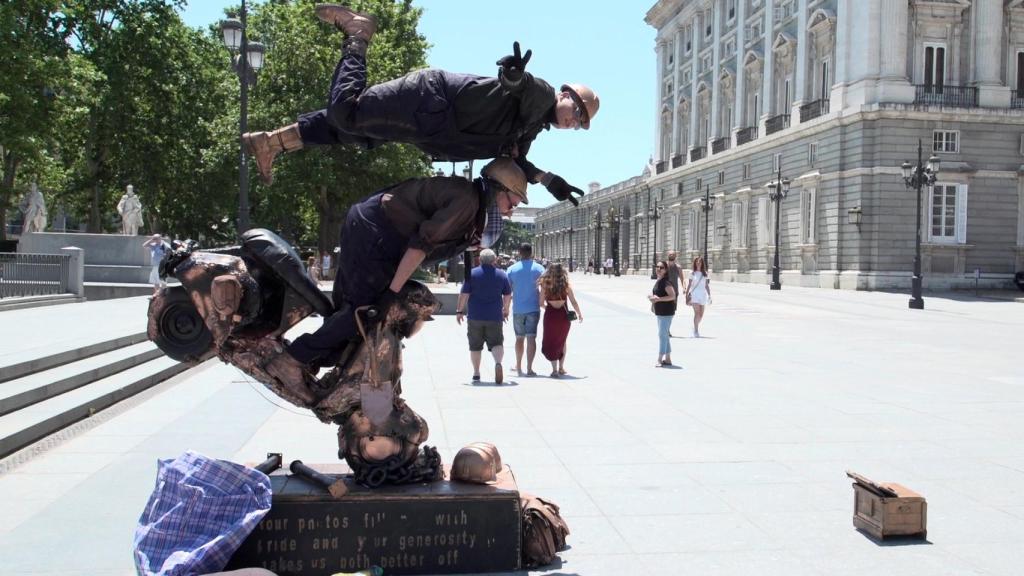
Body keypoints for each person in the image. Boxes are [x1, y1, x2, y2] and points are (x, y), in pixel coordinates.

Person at [242, 4, 599, 205]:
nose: (573, 122)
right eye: (577, 112)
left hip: (429, 125)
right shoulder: (541, 94)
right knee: (345, 112)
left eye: (579, 124)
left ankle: (271, 142)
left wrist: (547, 179)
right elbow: (520, 84)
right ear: (566, 94)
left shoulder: (531, 126)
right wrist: (512, 73)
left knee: (355, 132)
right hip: (429, 99)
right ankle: (358, 33)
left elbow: (515, 159)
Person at [265, 158, 529, 388]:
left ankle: (312, 361)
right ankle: (293, 360)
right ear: (499, 189)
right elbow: (419, 246)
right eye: (512, 203)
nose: (509, 212)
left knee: (350, 309)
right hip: (375, 232)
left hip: (371, 226)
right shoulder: (466, 202)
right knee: (366, 309)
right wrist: (390, 294)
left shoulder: (471, 202)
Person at [455, 249, 511, 383]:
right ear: (494, 260)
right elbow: (508, 294)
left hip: (475, 316)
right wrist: (506, 309)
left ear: (479, 260)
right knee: (497, 342)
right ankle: (498, 363)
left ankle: (476, 373)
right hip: (494, 316)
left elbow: (464, 294)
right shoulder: (501, 275)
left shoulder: (472, 274)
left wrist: (459, 310)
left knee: (475, 346)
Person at [506, 243, 545, 377]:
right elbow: (544, 288)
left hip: (518, 309)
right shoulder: (539, 268)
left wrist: (505, 308)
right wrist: (542, 302)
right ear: (531, 252)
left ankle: (518, 367)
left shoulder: (511, 269)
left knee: (519, 338)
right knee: (531, 338)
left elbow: (507, 292)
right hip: (533, 308)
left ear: (519, 253)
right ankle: (529, 368)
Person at [539, 263, 582, 377]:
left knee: (551, 341)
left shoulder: (545, 284)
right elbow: (573, 302)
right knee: (562, 340)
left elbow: (541, 303)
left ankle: (554, 370)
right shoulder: (566, 285)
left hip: (550, 316)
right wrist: (579, 314)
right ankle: (561, 367)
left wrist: (548, 308)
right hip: (563, 317)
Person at [649, 260, 677, 366]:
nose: (659, 269)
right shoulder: (659, 281)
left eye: (661, 268)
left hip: (666, 312)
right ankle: (668, 358)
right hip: (660, 312)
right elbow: (656, 295)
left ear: (666, 270)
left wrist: (658, 299)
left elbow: (672, 296)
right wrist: (652, 300)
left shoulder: (666, 282)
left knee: (662, 335)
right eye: (657, 267)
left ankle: (660, 359)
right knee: (664, 335)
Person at [685, 256, 711, 338]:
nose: (698, 263)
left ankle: (695, 325)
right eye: (697, 262)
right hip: (695, 295)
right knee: (697, 313)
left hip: (702, 295)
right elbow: (689, 284)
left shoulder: (705, 273)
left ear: (702, 263)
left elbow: (706, 285)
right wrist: (686, 295)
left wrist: (709, 295)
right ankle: (696, 330)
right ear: (695, 263)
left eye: (700, 262)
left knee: (701, 315)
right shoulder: (692, 273)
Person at [666, 251, 683, 337]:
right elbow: (659, 278)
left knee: (672, 311)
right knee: (664, 310)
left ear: (675, 256)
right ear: (667, 255)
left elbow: (682, 279)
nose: (671, 255)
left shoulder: (678, 267)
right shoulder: (664, 266)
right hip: (664, 291)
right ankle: (665, 329)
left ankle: (667, 328)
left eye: (673, 254)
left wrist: (685, 288)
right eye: (670, 254)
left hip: (674, 292)